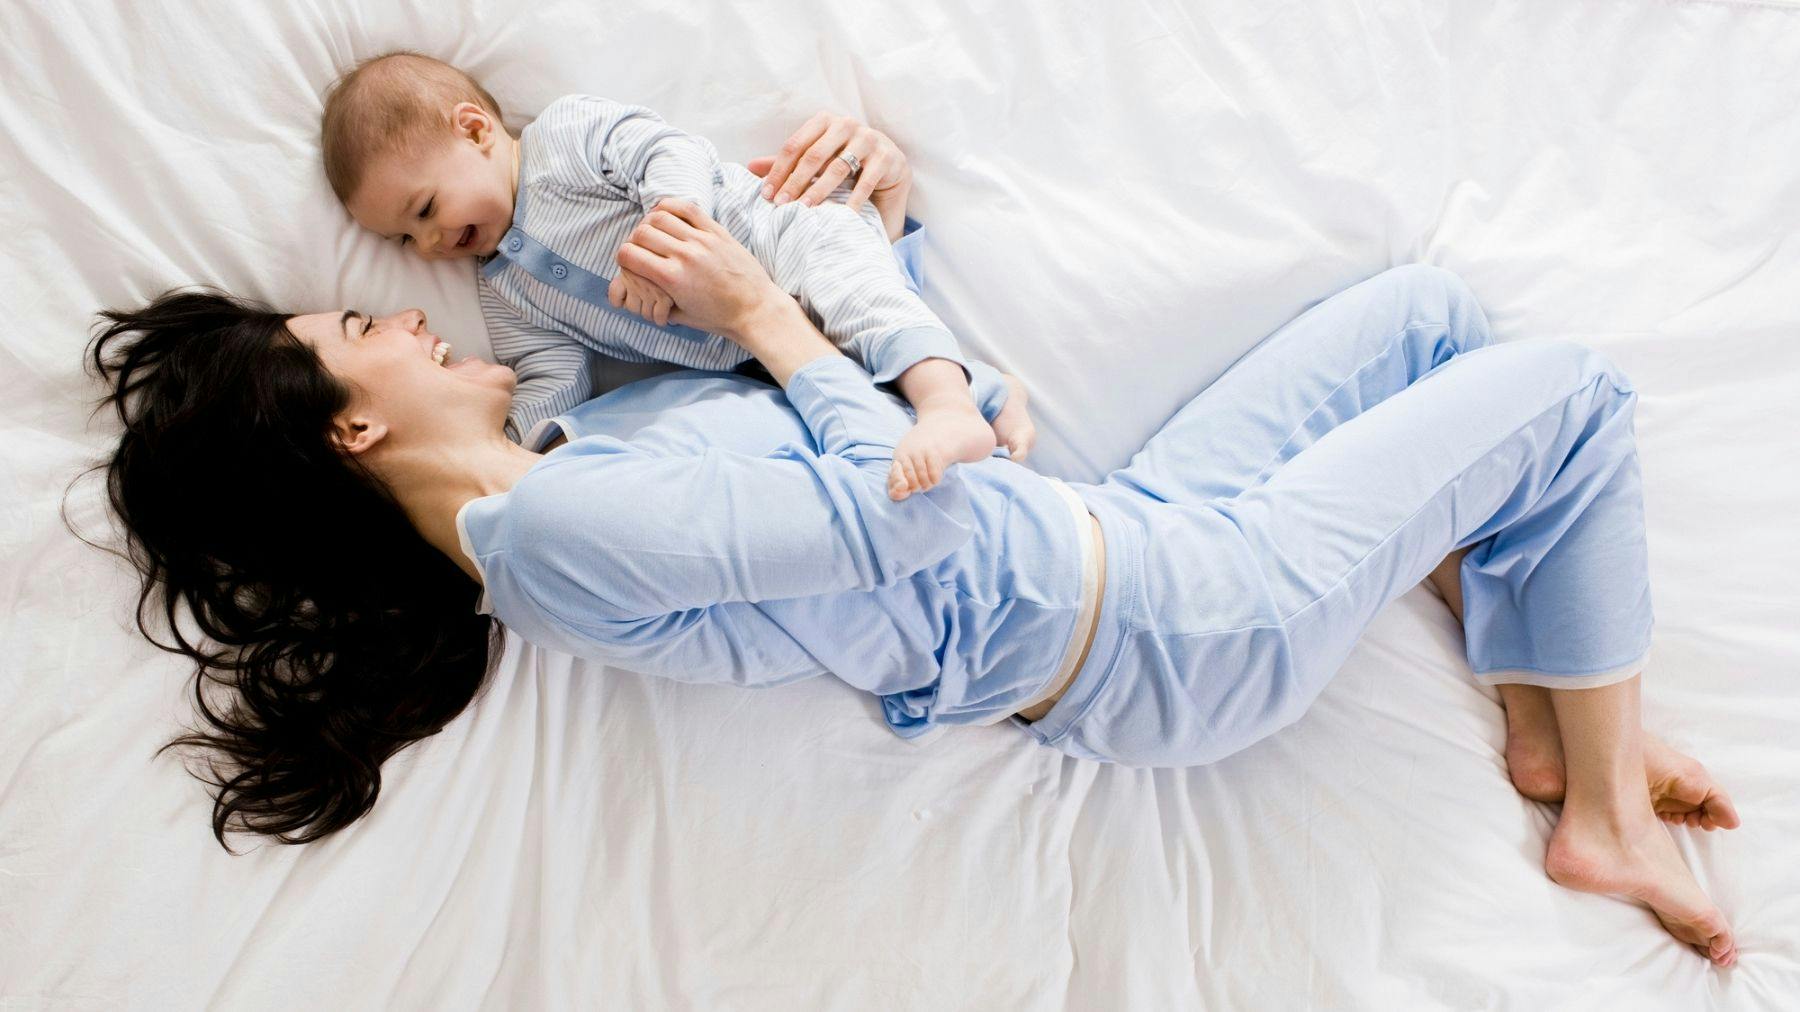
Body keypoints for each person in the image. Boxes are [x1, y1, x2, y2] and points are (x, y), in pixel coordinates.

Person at [88, 146, 1738, 970]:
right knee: (1572, 392)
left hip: (1135, 531)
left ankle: (1541, 703)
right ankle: (1594, 814)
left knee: (1436, 324)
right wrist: (759, 312)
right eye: (358, 329)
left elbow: (842, 385)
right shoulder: (566, 531)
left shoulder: (569, 450)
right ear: (353, 432)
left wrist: (855, 217)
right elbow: (911, 498)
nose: (399, 313)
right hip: (1170, 624)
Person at [319, 51, 1034, 500]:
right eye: (403, 240)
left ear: (474, 131)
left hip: (784, 235)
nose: (430, 243)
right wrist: (510, 443)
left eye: (425, 209)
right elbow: (550, 369)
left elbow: (665, 149)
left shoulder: (563, 141)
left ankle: (948, 404)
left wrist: (671, 216)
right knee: (848, 376)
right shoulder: (501, 284)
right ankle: (986, 394)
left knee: (861, 297)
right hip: (750, 353)